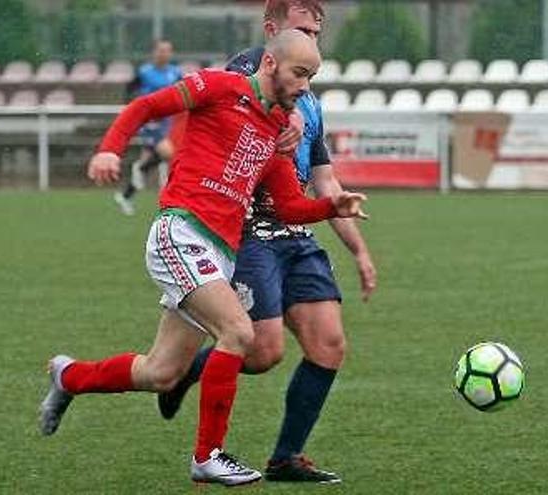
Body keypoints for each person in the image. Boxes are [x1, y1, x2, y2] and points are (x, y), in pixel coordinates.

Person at [37, 29, 368, 487]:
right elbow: (144, 107)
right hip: (182, 230)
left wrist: (333, 205)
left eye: (311, 77)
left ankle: (68, 376)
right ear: (270, 65)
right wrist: (110, 149)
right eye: (299, 73)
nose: (305, 86)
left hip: (221, 252)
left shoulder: (275, 133)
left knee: (160, 372)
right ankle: (207, 455)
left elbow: (290, 206)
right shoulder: (218, 86)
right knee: (238, 331)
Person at [156, 0, 377, 484]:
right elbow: (242, 99)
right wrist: (281, 114)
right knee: (262, 351)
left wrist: (359, 250)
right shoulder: (253, 66)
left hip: (296, 232)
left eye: (317, 33)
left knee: (330, 343)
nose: (310, 42)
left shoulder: (310, 99)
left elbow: (325, 183)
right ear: (273, 31)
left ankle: (287, 457)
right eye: (301, 30)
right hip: (249, 231)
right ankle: (187, 370)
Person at [113, 39, 182, 215]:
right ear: (154, 53)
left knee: (154, 160)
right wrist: (135, 111)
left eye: (167, 51)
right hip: (150, 122)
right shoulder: (144, 72)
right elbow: (129, 92)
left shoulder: (175, 73)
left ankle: (126, 196)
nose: (164, 54)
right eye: (161, 50)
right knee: (168, 153)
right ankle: (169, 193)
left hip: (168, 122)